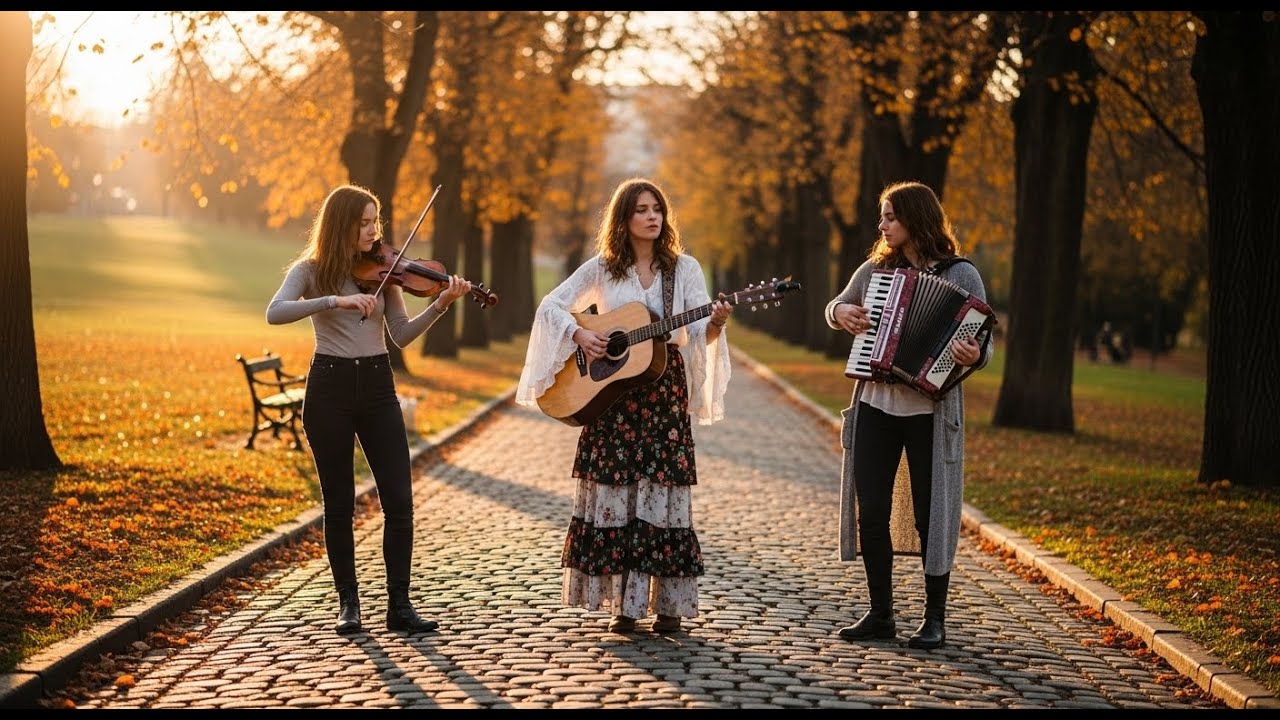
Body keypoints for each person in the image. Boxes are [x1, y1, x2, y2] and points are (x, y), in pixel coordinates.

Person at [516, 177, 733, 634]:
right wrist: (580, 334)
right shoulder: (603, 269)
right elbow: (550, 306)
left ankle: (669, 605)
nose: (653, 217)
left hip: (663, 393)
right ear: (624, 218)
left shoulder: (684, 269)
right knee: (620, 494)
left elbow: (699, 334)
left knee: (662, 494)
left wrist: (715, 324)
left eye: (658, 209)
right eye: (642, 210)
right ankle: (625, 606)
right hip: (611, 399)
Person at [266, 184, 472, 635]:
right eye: (363, 222)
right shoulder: (310, 270)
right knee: (338, 503)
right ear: (340, 224)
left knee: (399, 500)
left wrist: (440, 304)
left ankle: (400, 605)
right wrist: (334, 300)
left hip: (378, 388)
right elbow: (274, 312)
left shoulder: (385, 271)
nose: (372, 231)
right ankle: (348, 603)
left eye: (375, 221)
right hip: (330, 389)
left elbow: (401, 334)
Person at [824, 180, 992, 650]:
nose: (881, 225)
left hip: (930, 413)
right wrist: (842, 314)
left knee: (929, 514)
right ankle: (881, 614)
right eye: (882, 216)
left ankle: (934, 618)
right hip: (876, 405)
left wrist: (973, 354)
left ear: (915, 219)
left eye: (890, 217)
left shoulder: (962, 275)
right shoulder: (876, 269)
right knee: (872, 510)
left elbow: (984, 344)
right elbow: (836, 305)